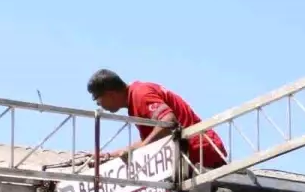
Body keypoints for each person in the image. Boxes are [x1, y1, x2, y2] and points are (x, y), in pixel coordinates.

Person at [86, 69, 227, 170]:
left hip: (199, 157)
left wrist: (139, 150)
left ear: (110, 94)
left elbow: (168, 123)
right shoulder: (135, 97)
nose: (100, 106)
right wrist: (110, 155)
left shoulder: (140, 94)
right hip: (193, 158)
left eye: (98, 101)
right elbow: (152, 137)